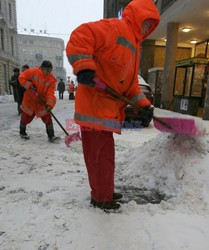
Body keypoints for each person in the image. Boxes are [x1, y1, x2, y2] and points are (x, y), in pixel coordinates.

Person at [66, 0, 160, 212]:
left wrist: (144, 105)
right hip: (94, 108)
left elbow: (131, 86)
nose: (148, 28)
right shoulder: (116, 28)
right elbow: (82, 35)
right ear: (138, 16)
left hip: (106, 112)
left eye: (151, 24)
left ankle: (103, 191)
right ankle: (101, 198)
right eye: (147, 22)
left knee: (104, 157)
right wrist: (84, 66)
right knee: (100, 157)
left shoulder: (135, 46)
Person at [18, 60, 60, 142]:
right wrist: (29, 85)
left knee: (47, 117)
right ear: (42, 68)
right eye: (47, 70)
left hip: (42, 102)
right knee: (26, 118)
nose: (48, 72)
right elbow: (21, 77)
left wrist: (49, 104)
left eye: (50, 70)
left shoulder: (52, 80)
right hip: (30, 100)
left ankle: (51, 136)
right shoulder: (33, 72)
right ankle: (22, 132)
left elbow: (50, 93)